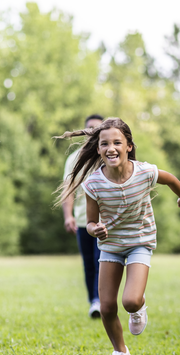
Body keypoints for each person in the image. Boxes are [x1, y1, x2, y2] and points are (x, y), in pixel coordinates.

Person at [55, 117, 180, 355]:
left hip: (140, 240)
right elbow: (91, 222)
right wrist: (96, 229)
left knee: (130, 301)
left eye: (117, 142)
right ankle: (121, 352)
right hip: (111, 245)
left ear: (128, 146)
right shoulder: (93, 183)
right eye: (105, 143)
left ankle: (139, 307)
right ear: (98, 149)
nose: (111, 148)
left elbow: (171, 179)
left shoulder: (144, 172)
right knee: (106, 306)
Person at [62, 114, 105, 318]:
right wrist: (68, 215)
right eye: (89, 128)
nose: (92, 131)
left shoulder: (108, 154)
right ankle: (94, 301)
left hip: (106, 222)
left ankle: (102, 300)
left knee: (102, 262)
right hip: (82, 220)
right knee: (89, 263)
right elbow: (67, 189)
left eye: (97, 128)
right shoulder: (74, 158)